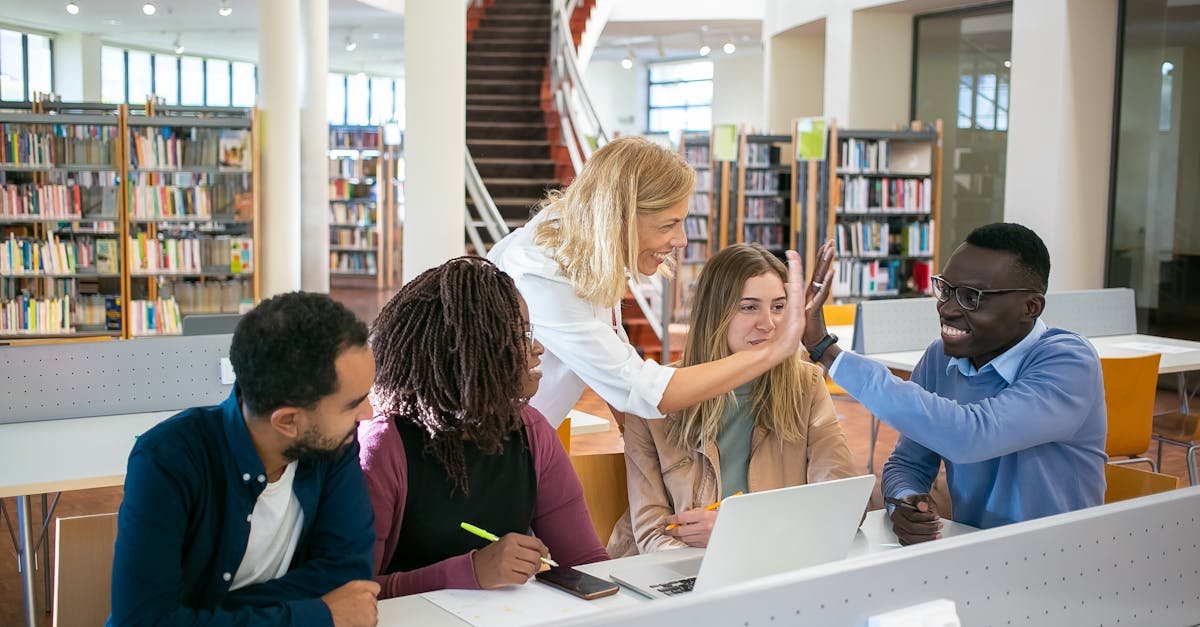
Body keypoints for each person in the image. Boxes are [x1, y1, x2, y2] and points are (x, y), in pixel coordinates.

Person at [802, 223, 1106, 544]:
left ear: (1030, 307)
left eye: (970, 297)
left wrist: (828, 351)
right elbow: (908, 463)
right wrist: (906, 502)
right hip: (972, 553)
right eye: (945, 289)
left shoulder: (1069, 362)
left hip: (1061, 562)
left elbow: (970, 434)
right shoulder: (940, 359)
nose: (946, 309)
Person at [488, 136, 821, 428]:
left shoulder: (581, 239)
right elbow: (639, 389)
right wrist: (774, 351)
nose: (681, 240)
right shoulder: (542, 277)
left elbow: (615, 365)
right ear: (617, 220)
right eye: (668, 225)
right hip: (488, 448)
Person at [110, 292, 380, 626]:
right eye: (353, 403)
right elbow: (142, 621)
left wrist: (206, 615)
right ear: (287, 422)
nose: (367, 414)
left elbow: (348, 574)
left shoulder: (333, 445)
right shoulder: (167, 460)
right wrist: (315, 614)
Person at [358, 257, 609, 599]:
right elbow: (352, 595)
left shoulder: (532, 432)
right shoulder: (384, 449)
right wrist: (471, 571)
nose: (538, 349)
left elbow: (587, 564)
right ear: (467, 350)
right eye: (520, 334)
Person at [608, 244, 859, 556]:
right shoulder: (652, 396)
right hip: (676, 570)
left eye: (779, 307)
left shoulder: (805, 386)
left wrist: (737, 531)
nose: (768, 324)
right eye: (749, 307)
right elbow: (650, 533)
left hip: (769, 561)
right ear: (715, 314)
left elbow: (843, 504)